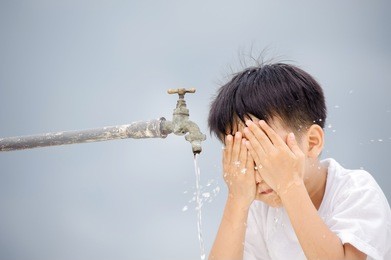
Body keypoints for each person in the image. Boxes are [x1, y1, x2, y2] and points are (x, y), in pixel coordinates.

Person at [207, 62, 391, 260]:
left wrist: (289, 184)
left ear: (312, 143)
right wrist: (237, 200)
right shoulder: (260, 210)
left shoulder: (357, 191)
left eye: (266, 154)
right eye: (243, 160)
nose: (258, 174)